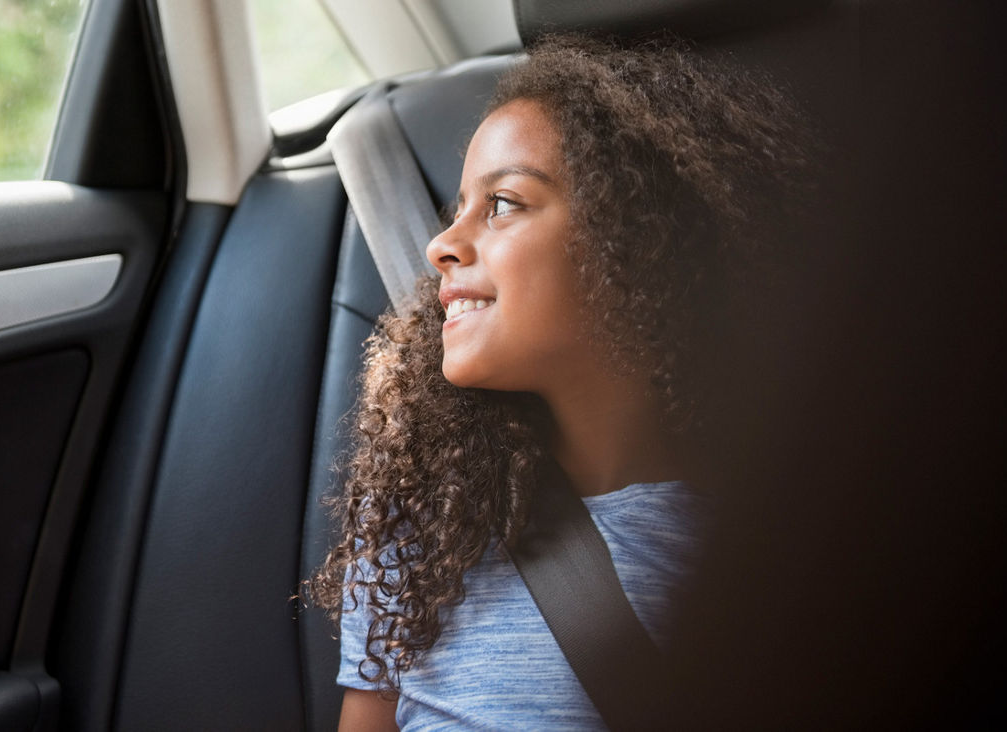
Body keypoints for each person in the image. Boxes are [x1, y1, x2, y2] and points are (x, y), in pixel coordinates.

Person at [305, 35, 813, 730]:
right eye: (457, 209)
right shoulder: (423, 521)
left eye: (503, 203)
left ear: (633, 241)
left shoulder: (761, 546)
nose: (441, 244)